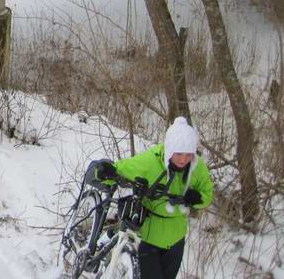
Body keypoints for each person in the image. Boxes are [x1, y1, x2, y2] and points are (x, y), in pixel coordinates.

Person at [91, 117, 214, 279]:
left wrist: (197, 198)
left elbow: (207, 193)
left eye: (188, 154)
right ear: (169, 149)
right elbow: (123, 169)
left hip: (176, 239)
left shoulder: (197, 168)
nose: (183, 159)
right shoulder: (152, 161)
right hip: (149, 238)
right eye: (178, 153)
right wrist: (107, 172)